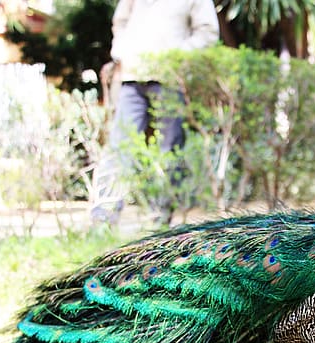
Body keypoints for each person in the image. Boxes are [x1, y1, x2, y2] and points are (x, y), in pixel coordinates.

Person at [91, 0, 220, 225]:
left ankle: (159, 219)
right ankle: (103, 217)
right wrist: (121, 52)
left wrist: (176, 56)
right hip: (132, 78)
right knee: (120, 147)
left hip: (169, 79)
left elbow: (208, 33)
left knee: (168, 149)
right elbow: (120, 21)